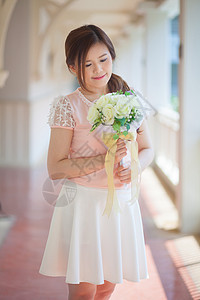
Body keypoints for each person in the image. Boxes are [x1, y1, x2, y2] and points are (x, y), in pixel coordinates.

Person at [39, 24, 154, 300]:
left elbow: (147, 148)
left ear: (112, 55)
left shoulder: (129, 97)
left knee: (106, 287)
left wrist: (135, 171)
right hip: (83, 204)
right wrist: (105, 160)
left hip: (120, 203)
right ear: (71, 68)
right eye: (86, 64)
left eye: (103, 59)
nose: (97, 70)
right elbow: (55, 167)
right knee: (83, 291)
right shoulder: (67, 106)